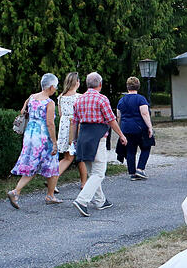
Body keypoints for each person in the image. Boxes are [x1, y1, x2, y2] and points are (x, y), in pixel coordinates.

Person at [71, 72, 127, 217]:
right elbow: (111, 120)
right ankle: (82, 200)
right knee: (99, 172)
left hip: (83, 137)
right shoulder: (102, 99)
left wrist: (73, 140)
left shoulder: (79, 100)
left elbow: (74, 122)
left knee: (92, 172)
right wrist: (121, 135)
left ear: (87, 84)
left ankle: (100, 201)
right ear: (100, 84)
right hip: (98, 138)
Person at [7, 73, 61, 208]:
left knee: (33, 163)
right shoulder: (49, 103)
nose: (56, 89)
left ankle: (19, 191)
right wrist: (54, 142)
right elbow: (50, 123)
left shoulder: (31, 97)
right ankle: (47, 195)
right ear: (51, 87)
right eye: (56, 87)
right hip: (43, 137)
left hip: (30, 135)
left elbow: (22, 112)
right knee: (52, 163)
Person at [117, 77, 154, 180]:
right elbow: (144, 113)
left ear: (127, 86)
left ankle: (132, 173)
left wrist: (120, 130)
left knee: (130, 151)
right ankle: (140, 169)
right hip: (140, 128)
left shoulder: (121, 100)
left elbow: (119, 116)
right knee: (146, 147)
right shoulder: (141, 99)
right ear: (138, 86)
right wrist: (150, 127)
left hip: (126, 128)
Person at [56, 72, 87, 186]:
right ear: (77, 82)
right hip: (75, 126)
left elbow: (60, 114)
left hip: (64, 127)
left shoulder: (61, 97)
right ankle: (84, 183)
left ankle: (53, 179)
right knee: (81, 156)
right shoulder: (80, 97)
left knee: (67, 156)